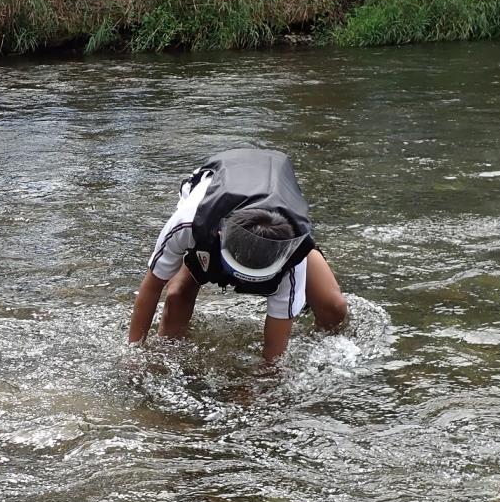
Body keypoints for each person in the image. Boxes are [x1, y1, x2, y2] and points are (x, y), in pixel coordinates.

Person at [128, 148, 349, 360]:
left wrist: (260, 383)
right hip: (216, 202)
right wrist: (135, 354)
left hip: (275, 223)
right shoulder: (188, 223)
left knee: (334, 308)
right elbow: (152, 286)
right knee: (177, 295)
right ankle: (171, 355)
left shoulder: (292, 256)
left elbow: (274, 354)